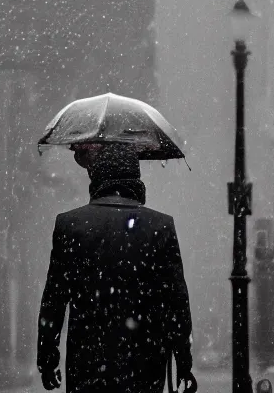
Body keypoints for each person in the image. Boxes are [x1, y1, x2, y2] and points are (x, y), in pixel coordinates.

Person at [37, 143, 195, 393]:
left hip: (88, 362)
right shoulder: (160, 227)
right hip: (145, 361)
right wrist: (183, 361)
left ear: (97, 174)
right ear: (135, 176)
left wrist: (47, 358)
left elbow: (54, 302)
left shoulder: (70, 225)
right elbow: (176, 302)